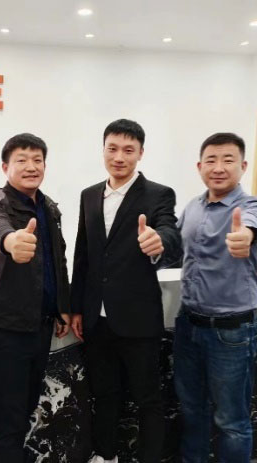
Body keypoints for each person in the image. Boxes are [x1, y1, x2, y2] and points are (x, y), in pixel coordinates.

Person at [70, 119, 182, 463]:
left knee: (148, 398)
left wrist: (159, 241)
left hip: (138, 318)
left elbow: (170, 233)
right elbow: (83, 254)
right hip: (96, 319)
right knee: (104, 394)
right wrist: (76, 307)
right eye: (113, 149)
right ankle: (105, 455)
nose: (119, 157)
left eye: (128, 150)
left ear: (140, 153)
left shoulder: (158, 194)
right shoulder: (89, 195)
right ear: (103, 150)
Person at [173, 132, 257, 463]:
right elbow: (176, 251)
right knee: (192, 410)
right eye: (211, 160)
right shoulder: (192, 207)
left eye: (228, 160)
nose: (219, 167)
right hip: (188, 325)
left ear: (243, 166)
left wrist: (247, 234)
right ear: (199, 167)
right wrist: (155, 245)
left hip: (230, 332)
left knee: (231, 421)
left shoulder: (252, 207)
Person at [0, 133, 70, 462]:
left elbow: (58, 261)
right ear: (5, 167)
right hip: (5, 324)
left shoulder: (49, 207)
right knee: (9, 409)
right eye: (22, 160)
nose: (31, 166)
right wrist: (11, 241)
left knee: (27, 401)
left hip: (39, 324)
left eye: (37, 160)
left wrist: (62, 307)